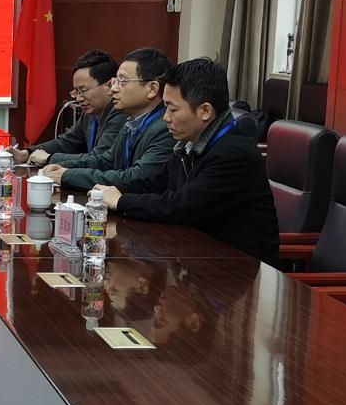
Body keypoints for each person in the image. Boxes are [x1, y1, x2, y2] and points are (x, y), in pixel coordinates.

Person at [95, 57, 279, 262]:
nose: (165, 117)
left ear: (205, 111)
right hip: (199, 255)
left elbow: (181, 206)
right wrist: (114, 190)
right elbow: (156, 183)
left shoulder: (234, 153)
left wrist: (121, 201)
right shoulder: (192, 143)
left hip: (238, 267)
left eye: (172, 109)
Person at [42, 47, 175, 193]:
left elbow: (137, 178)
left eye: (122, 81)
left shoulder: (167, 128)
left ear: (152, 89)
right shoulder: (132, 122)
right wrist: (64, 167)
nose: (113, 89)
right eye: (115, 81)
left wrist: (69, 175)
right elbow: (106, 161)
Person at [13, 50, 123, 166]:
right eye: (76, 92)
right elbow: (67, 142)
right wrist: (28, 153)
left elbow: (99, 159)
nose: (79, 98)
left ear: (110, 85)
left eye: (84, 90)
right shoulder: (91, 113)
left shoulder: (120, 114)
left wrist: (49, 158)